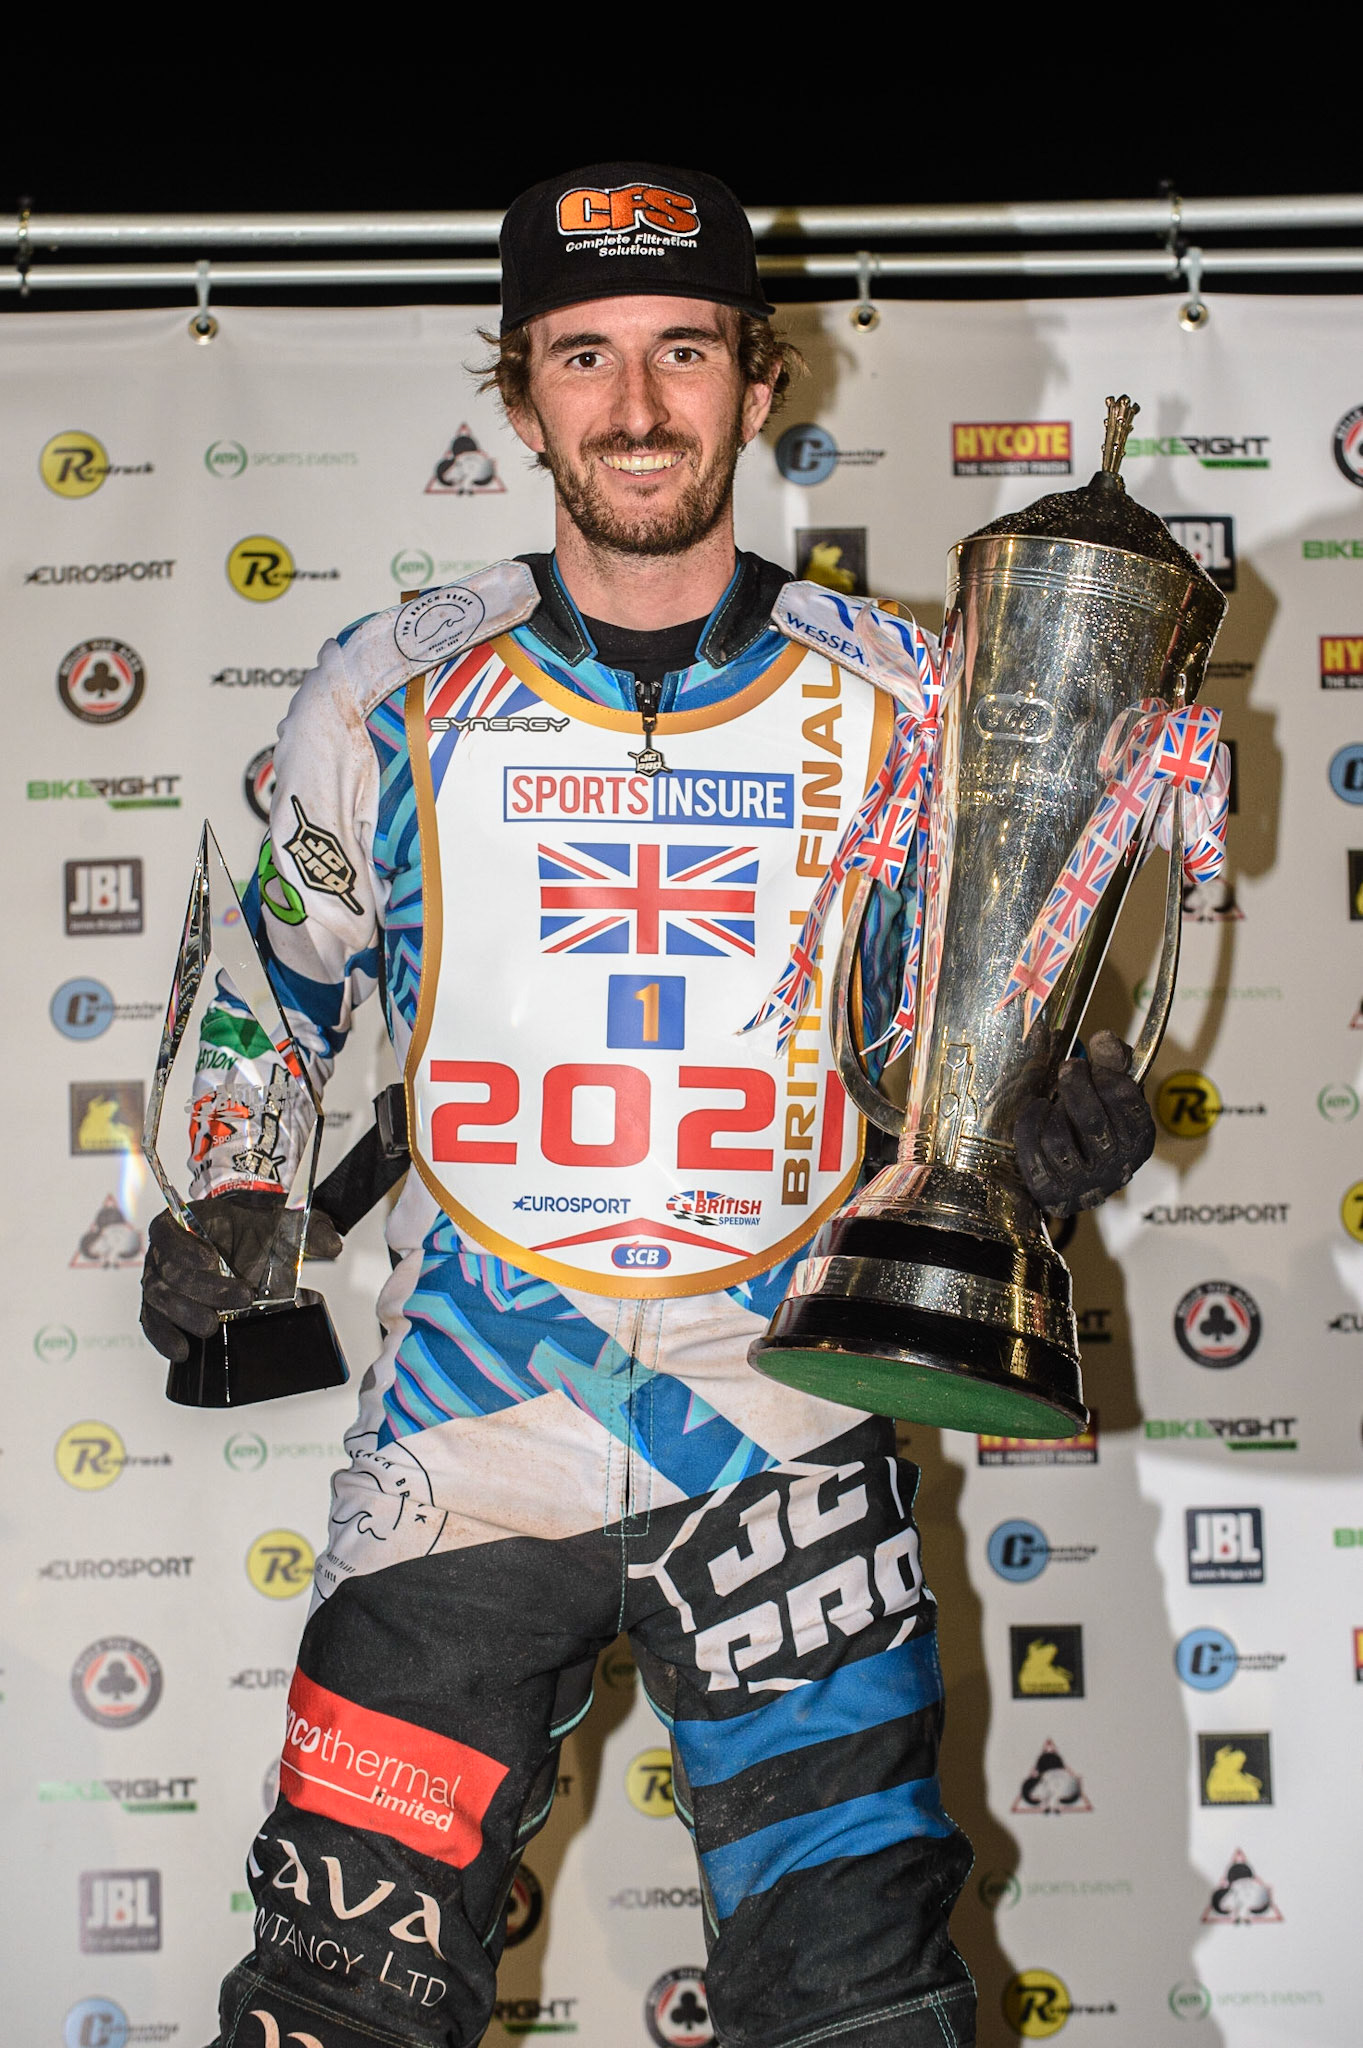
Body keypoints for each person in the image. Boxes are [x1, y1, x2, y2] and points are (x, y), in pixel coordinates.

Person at [142, 163, 1153, 2048]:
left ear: (757, 385)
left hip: (785, 1425)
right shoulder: (393, 684)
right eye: (583, 356)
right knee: (330, 2005)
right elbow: (270, 989)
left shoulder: (913, 696)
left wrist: (1049, 1129)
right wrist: (226, 1192)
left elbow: (981, 1025)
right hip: (467, 1429)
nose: (635, 403)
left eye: (683, 351)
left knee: (863, 2007)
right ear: (521, 397)